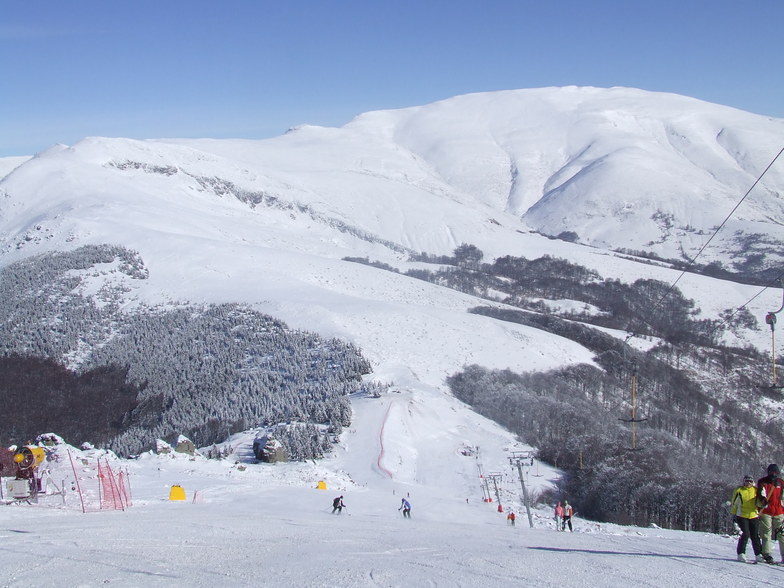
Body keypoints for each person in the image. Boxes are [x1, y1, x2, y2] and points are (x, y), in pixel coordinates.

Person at [731, 475, 768, 563]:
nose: (748, 483)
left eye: (750, 481)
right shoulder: (739, 490)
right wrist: (734, 514)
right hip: (742, 515)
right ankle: (741, 553)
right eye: (747, 481)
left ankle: (758, 554)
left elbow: (760, 500)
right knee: (746, 533)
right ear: (744, 482)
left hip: (753, 514)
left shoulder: (755, 490)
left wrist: (764, 502)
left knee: (755, 535)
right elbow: (734, 502)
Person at [757, 464, 784, 563]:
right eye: (771, 472)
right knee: (766, 533)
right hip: (766, 511)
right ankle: (767, 553)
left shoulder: (781, 482)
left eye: (775, 472)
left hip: (779, 511)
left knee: (782, 534)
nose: (773, 474)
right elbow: (761, 493)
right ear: (768, 472)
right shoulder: (763, 482)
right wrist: (763, 500)